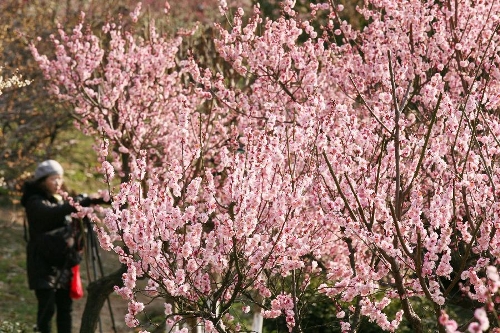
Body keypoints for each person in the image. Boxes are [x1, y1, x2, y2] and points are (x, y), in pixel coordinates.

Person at [20, 160, 94, 333]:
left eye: (60, 178)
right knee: (47, 310)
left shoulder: (59, 200)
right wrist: (74, 204)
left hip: (63, 261)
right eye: (53, 178)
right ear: (42, 180)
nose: (58, 183)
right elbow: (49, 214)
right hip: (42, 264)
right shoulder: (34, 200)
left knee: (65, 310)